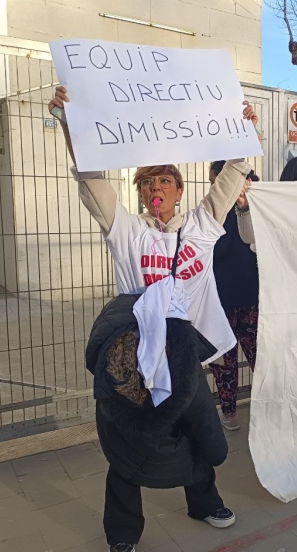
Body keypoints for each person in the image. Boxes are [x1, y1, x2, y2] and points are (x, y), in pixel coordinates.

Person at [49, 85, 256, 551]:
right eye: (147, 182)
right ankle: (123, 534)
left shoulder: (202, 227)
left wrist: (242, 133)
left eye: (165, 180)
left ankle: (204, 502)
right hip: (134, 362)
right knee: (126, 445)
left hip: (185, 358)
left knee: (194, 430)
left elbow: (229, 181)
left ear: (180, 190)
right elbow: (91, 182)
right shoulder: (127, 232)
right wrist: (70, 122)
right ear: (140, 193)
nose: (155, 188)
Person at [209, 162, 260, 431]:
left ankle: (262, 407)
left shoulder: (253, 208)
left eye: (219, 183)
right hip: (222, 302)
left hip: (250, 299)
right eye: (213, 184)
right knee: (225, 363)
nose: (215, 190)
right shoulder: (211, 217)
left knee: (259, 359)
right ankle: (229, 412)